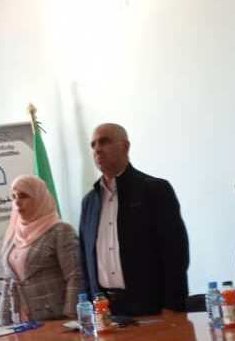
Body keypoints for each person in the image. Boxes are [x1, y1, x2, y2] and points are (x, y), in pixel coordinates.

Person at [79, 123, 190, 316]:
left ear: (125, 146)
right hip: (104, 311)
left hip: (151, 307)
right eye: (93, 144)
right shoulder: (89, 202)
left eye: (104, 141)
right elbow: (84, 259)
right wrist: (90, 307)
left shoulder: (154, 190)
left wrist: (172, 305)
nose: (97, 149)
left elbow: (175, 253)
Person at [0, 175, 83, 324]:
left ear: (39, 198)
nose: (17, 202)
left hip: (56, 319)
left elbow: (75, 276)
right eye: (14, 197)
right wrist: (3, 322)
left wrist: (70, 315)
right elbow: (8, 282)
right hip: (21, 322)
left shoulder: (60, 231)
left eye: (24, 196)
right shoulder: (13, 235)